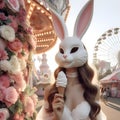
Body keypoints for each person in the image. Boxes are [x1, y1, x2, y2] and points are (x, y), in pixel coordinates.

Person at [36, 0, 107, 120]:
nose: (65, 55)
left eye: (73, 49)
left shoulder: (92, 90)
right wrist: (56, 117)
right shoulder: (51, 91)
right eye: (62, 51)